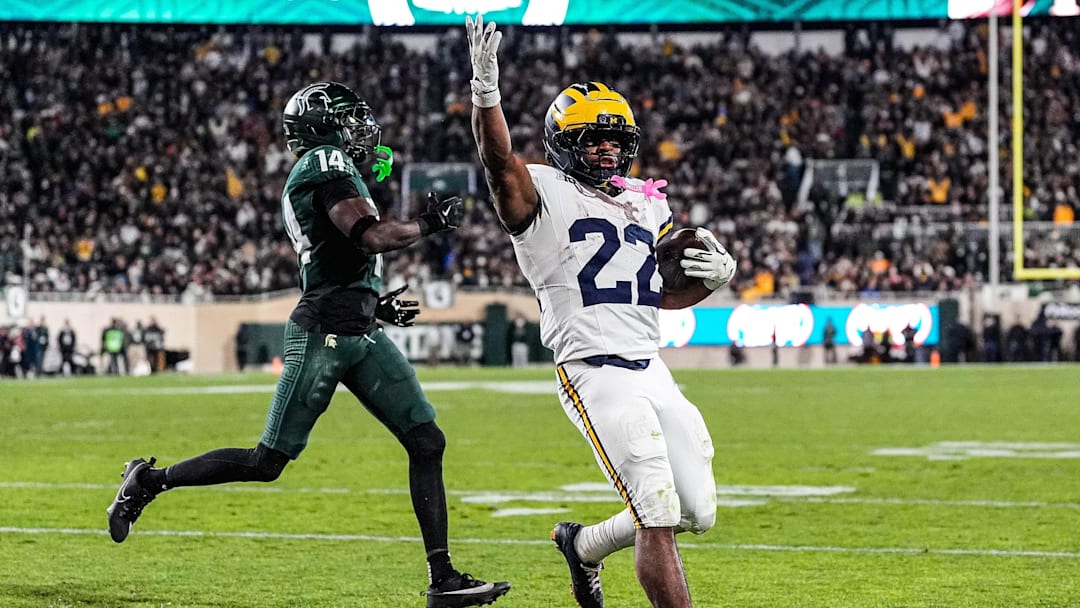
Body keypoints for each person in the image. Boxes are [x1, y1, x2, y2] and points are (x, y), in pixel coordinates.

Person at [107, 81, 509, 608]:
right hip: (324, 333)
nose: (361, 129)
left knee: (427, 440)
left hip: (358, 329)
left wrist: (373, 304)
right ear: (323, 125)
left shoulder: (330, 165)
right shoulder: (324, 161)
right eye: (349, 118)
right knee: (266, 461)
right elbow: (367, 235)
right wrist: (428, 224)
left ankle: (443, 578)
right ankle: (150, 481)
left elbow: (338, 256)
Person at [466, 16, 736, 608]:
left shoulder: (644, 204)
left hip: (650, 365)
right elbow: (497, 160)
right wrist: (486, 95)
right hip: (592, 369)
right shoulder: (541, 189)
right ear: (564, 141)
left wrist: (713, 281)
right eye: (592, 138)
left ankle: (583, 545)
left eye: (615, 137)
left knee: (698, 510)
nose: (606, 147)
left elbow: (652, 295)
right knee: (658, 509)